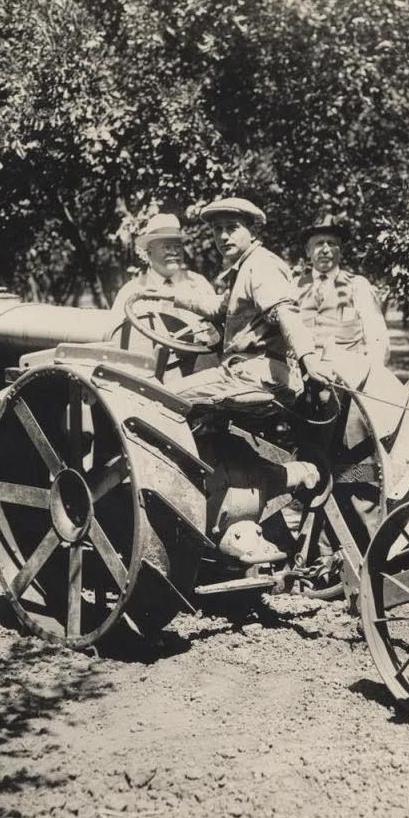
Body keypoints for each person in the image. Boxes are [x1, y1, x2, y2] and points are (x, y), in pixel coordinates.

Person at [139, 197, 338, 563]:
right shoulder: (242, 269)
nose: (223, 236)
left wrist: (309, 360)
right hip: (248, 373)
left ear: (252, 230)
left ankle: (172, 501)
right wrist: (167, 295)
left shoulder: (260, 267)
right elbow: (217, 309)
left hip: (252, 374)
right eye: (216, 230)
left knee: (152, 399)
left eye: (232, 228)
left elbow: (285, 313)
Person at [111, 212, 215, 352]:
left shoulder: (198, 284)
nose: (174, 252)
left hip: (198, 367)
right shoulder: (131, 291)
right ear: (149, 253)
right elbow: (115, 339)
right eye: (167, 247)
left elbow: (216, 332)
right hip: (147, 369)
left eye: (178, 246)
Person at [295, 216, 390, 366]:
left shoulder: (358, 286)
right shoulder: (294, 286)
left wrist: (369, 374)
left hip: (346, 375)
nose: (325, 250)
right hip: (301, 374)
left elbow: (378, 338)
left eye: (331, 243)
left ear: (341, 250)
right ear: (308, 251)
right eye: (319, 244)